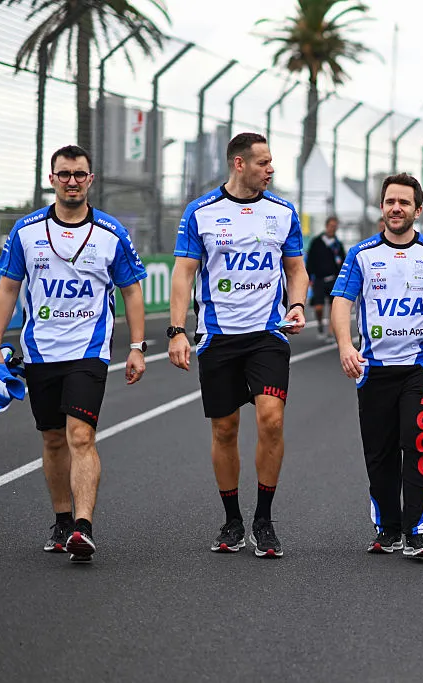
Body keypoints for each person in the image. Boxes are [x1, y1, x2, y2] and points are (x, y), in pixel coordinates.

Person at [0, 144, 148, 562]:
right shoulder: (26, 231)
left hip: (88, 352)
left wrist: (137, 347)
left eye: (79, 174)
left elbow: (131, 290)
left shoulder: (111, 232)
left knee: (80, 435)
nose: (72, 181)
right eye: (64, 174)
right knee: (53, 439)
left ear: (90, 180)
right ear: (52, 178)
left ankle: (83, 527)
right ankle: (61, 520)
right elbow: (7, 289)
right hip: (39, 353)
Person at [169, 132, 308, 558]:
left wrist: (297, 303)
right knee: (225, 429)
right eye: (263, 162)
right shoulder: (201, 212)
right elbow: (183, 275)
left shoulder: (283, 212)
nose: (271, 169)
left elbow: (297, 269)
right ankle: (232, 520)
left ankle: (263, 519)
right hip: (218, 337)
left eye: (272, 163)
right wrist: (177, 331)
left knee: (271, 420)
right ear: (239, 164)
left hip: (267, 334)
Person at [331, 172, 423, 559]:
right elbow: (342, 302)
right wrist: (345, 346)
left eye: (404, 202)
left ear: (417, 210)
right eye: (390, 201)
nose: (396, 208)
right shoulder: (361, 254)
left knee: (417, 439)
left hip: (419, 369)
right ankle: (388, 529)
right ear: (382, 206)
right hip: (372, 370)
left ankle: (417, 529)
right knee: (380, 452)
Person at [306, 215, 346, 341]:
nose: (333, 229)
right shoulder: (317, 242)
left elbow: (343, 261)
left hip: (334, 279)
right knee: (319, 306)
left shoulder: (337, 244)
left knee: (333, 307)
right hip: (319, 279)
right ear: (326, 226)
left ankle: (330, 332)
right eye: (331, 226)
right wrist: (309, 278)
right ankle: (320, 325)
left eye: (335, 227)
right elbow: (310, 260)